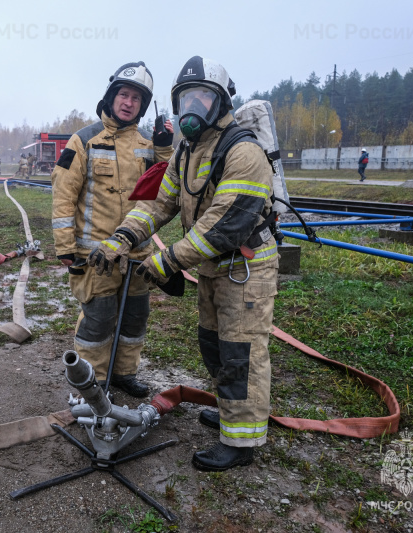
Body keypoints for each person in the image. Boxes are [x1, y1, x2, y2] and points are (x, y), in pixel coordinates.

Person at [90, 56, 277, 470]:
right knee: (213, 345)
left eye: (202, 97)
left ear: (220, 101)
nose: (192, 107)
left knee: (239, 352)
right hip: (214, 268)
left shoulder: (243, 150)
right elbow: (159, 204)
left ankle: (242, 444)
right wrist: (121, 238)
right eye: (185, 98)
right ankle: (233, 414)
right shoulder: (187, 151)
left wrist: (167, 260)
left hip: (245, 268)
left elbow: (222, 225)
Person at [52, 61, 174, 397]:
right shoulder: (84, 141)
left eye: (136, 98)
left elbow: (168, 188)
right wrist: (65, 248)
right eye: (124, 94)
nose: (129, 102)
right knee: (98, 321)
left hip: (137, 253)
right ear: (111, 96)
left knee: (135, 318)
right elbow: (64, 197)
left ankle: (123, 374)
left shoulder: (149, 144)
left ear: (143, 105)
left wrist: (165, 146)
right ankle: (90, 383)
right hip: (95, 256)